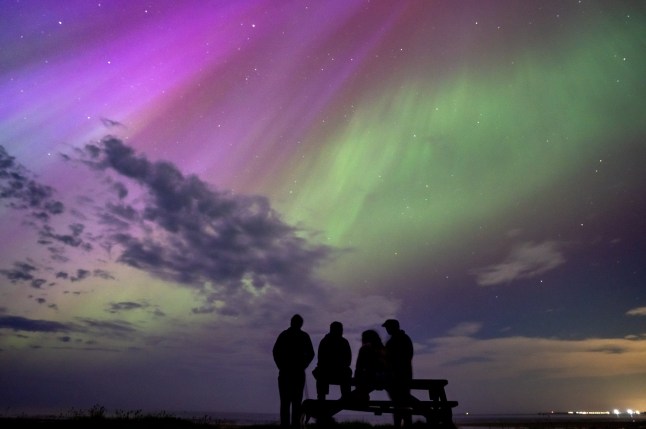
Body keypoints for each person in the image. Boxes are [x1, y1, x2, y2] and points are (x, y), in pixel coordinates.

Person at [273, 314, 315, 428]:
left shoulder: (284, 335)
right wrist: (304, 365)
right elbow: (311, 354)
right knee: (296, 401)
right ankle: (295, 425)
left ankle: (285, 425)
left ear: (291, 322)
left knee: (285, 402)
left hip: (286, 373)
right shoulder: (304, 336)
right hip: (297, 373)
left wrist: (280, 366)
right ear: (301, 324)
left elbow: (275, 352)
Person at [382, 319, 414, 428]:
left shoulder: (396, 341)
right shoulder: (403, 339)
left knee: (400, 404)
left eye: (388, 327)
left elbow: (388, 359)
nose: (387, 330)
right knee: (401, 404)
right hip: (403, 376)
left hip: (399, 377)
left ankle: (401, 425)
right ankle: (403, 424)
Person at [312, 321, 352, 400]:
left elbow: (321, 360)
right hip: (332, 371)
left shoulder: (325, 341)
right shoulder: (343, 342)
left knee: (321, 373)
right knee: (322, 373)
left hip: (331, 371)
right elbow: (348, 360)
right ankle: (345, 396)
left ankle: (322, 397)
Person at [351, 329, 387, 402]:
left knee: (360, 388)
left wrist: (357, 383)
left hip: (370, 378)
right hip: (384, 378)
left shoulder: (365, 348)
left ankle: (362, 399)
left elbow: (359, 367)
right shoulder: (383, 349)